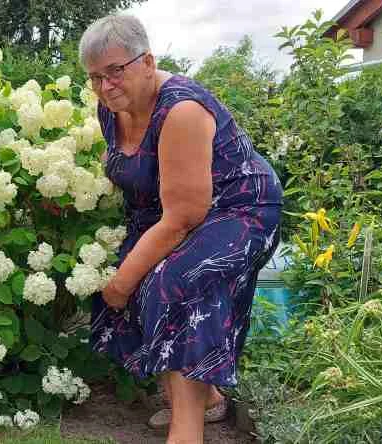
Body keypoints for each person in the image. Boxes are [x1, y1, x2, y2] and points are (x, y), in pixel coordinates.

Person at [79, 15, 283, 444]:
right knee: (130, 277)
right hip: (169, 211)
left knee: (175, 283)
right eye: (96, 77)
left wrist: (123, 280)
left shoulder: (182, 110)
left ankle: (185, 431)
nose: (106, 85)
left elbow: (183, 218)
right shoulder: (110, 107)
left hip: (239, 207)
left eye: (115, 70)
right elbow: (135, 171)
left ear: (147, 61)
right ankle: (208, 399)